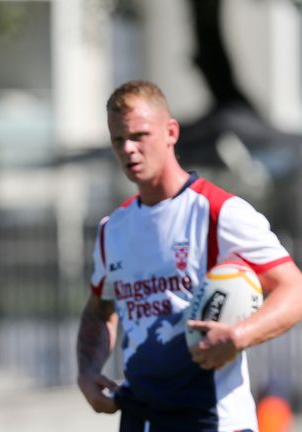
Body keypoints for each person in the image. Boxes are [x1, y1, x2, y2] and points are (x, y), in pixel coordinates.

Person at [76, 80, 302, 432]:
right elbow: (98, 311)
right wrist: (88, 372)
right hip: (139, 417)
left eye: (139, 136)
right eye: (118, 140)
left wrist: (240, 335)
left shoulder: (218, 212)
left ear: (171, 132)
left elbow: (294, 289)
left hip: (213, 419)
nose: (129, 149)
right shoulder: (113, 229)